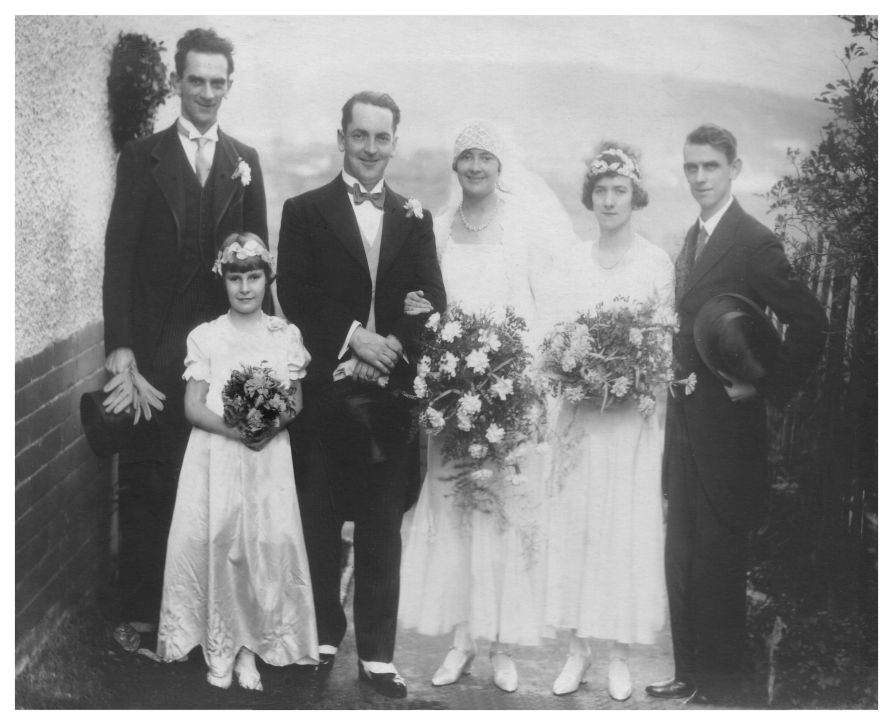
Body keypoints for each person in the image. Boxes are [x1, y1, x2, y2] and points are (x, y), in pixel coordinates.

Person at [646, 124, 827, 704]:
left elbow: (811, 323)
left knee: (719, 563)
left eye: (710, 167)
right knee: (681, 557)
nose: (699, 177)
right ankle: (689, 673)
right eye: (691, 167)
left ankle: (723, 692)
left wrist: (767, 386)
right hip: (685, 430)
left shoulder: (753, 241)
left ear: (734, 169)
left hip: (728, 437)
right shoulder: (692, 239)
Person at [276, 91, 446, 699]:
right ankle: (322, 634)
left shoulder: (415, 218)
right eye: (360, 136)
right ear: (341, 137)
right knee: (319, 516)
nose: (371, 148)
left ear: (394, 142)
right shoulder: (304, 211)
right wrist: (354, 341)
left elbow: (430, 297)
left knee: (380, 525)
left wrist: (390, 350)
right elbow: (294, 293)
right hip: (326, 393)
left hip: (391, 397)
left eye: (382, 137)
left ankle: (377, 655)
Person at [101, 27, 267, 634]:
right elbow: (118, 254)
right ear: (177, 83)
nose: (205, 92)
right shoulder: (142, 158)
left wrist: (259, 354)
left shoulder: (244, 162)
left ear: (229, 86)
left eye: (216, 83)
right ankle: (141, 613)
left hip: (220, 354)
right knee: (147, 480)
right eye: (194, 80)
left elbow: (258, 262)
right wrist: (121, 345)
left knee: (215, 485)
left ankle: (206, 614)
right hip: (154, 349)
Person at [399, 119, 574, 692]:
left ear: (501, 166)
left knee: (500, 516)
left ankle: (500, 645)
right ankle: (460, 643)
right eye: (466, 157)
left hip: (507, 394)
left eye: (485, 157)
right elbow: (427, 306)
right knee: (453, 514)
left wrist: (525, 384)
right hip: (454, 397)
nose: (475, 166)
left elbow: (545, 309)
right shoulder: (440, 229)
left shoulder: (524, 228)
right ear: (455, 166)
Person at [540, 143, 673, 699]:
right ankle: (576, 651)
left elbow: (662, 347)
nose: (611, 200)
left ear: (635, 196)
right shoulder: (571, 261)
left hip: (627, 425)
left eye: (620, 190)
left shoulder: (655, 262)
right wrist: (577, 377)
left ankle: (618, 652)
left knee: (621, 532)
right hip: (581, 422)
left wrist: (630, 377)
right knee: (576, 529)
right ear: (589, 197)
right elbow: (554, 340)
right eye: (602, 190)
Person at [155, 233, 317, 689]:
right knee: (220, 543)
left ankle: (250, 650)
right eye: (235, 278)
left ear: (268, 279)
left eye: (254, 277)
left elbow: (295, 401)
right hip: (218, 458)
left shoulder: (284, 335)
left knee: (262, 548)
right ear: (222, 281)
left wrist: (267, 426)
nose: (245, 288)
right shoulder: (206, 336)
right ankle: (219, 647)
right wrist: (238, 431)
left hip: (267, 460)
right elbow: (192, 405)